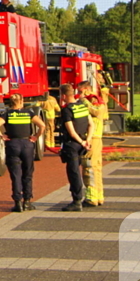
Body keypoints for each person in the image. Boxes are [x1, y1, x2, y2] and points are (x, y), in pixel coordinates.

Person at [0, 93, 46, 212]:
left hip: (13, 144)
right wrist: (36, 136)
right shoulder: (29, 113)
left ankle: (18, 203)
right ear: (21, 101)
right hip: (27, 144)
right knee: (28, 173)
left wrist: (2, 136)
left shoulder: (7, 114)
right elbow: (42, 125)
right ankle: (27, 201)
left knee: (16, 175)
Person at [58, 83, 90, 211]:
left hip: (72, 144)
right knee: (80, 170)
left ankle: (77, 201)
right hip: (83, 141)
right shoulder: (82, 106)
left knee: (73, 172)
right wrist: (87, 140)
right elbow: (91, 124)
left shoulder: (67, 110)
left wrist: (81, 142)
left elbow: (71, 132)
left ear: (64, 95)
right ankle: (79, 198)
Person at [77, 80, 106, 207]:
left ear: (86, 89)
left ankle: (91, 197)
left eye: (80, 91)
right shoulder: (94, 98)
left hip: (92, 137)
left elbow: (97, 112)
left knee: (89, 167)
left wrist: (84, 101)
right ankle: (99, 196)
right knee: (97, 167)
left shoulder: (92, 99)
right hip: (96, 136)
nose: (79, 94)